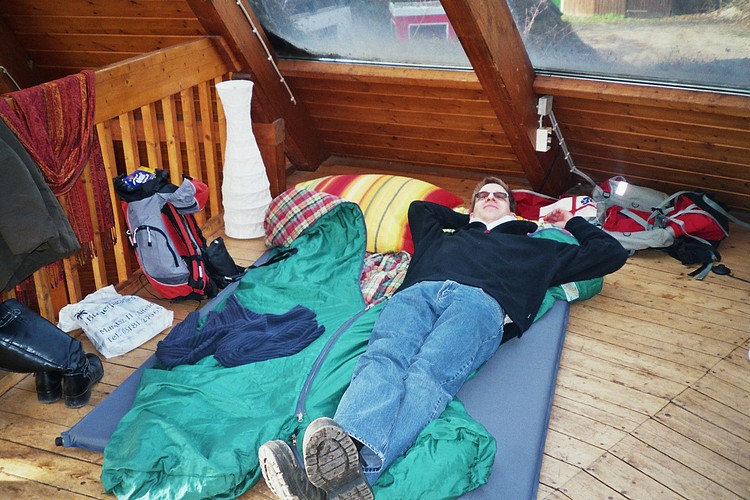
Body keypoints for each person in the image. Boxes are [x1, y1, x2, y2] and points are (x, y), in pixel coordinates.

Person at [259, 176, 628, 499]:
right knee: (382, 359)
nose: (490, 198)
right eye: (483, 195)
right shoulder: (442, 237)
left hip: (480, 303)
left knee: (427, 374)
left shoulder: (538, 247)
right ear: (471, 206)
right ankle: (343, 472)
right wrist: (471, 220)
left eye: (499, 196)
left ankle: (353, 472)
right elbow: (420, 209)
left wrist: (571, 221)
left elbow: (608, 254)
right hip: (416, 294)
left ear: (514, 210)